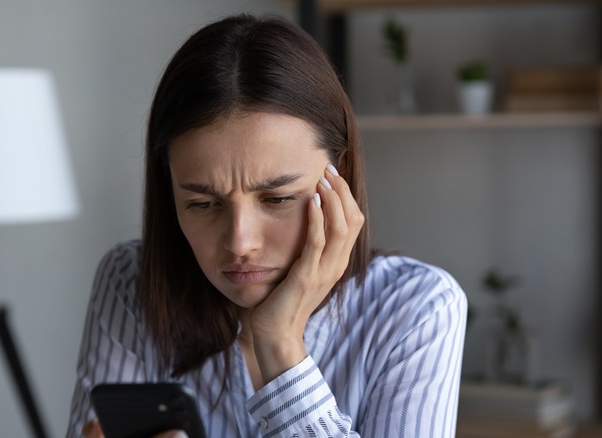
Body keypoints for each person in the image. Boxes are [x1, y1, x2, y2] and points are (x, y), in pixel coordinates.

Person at [67, 13, 467, 438]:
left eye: (277, 199)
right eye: (203, 204)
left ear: (340, 176)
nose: (240, 242)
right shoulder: (130, 283)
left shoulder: (417, 309)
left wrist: (280, 342)